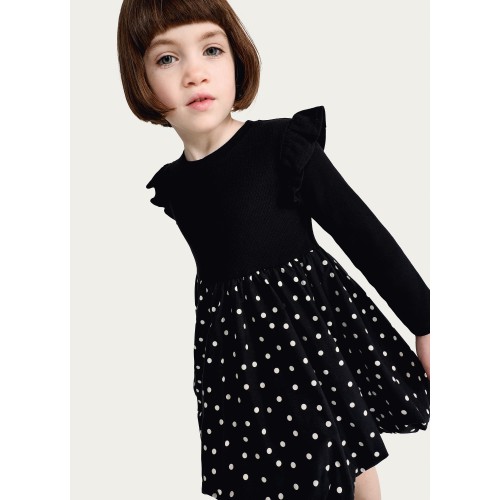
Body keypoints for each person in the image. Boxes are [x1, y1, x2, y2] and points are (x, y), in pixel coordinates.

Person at [117, 1, 431, 499]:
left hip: (310, 334)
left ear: (237, 57)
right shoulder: (174, 186)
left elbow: (363, 236)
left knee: (348, 456)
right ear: (141, 79)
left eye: (211, 50)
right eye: (167, 58)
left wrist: (426, 321)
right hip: (235, 360)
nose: (195, 73)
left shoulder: (282, 145)